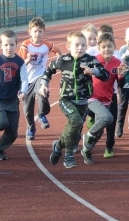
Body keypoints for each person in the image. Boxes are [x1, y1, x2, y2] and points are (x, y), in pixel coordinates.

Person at [42, 31, 109, 168]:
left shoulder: (90, 60)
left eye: (83, 45)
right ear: (68, 46)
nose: (80, 48)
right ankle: (68, 156)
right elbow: (48, 70)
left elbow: (106, 75)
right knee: (76, 121)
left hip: (83, 102)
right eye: (77, 45)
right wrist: (44, 85)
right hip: (66, 100)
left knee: (72, 127)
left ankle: (58, 146)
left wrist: (94, 72)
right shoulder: (63, 60)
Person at [0, 30, 28, 161]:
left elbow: (24, 79)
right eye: (6, 45)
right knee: (2, 123)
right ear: (1, 45)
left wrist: (23, 91)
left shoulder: (20, 62)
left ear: (16, 45)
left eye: (12, 44)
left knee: (13, 132)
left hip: (13, 100)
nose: (9, 48)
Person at [80, 32, 124, 162]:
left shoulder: (118, 63)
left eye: (109, 46)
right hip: (92, 98)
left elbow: (121, 84)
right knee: (108, 117)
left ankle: (86, 150)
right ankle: (87, 136)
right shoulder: (94, 60)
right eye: (104, 47)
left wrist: (121, 76)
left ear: (114, 47)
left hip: (107, 100)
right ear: (99, 48)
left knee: (99, 132)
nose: (107, 49)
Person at [18, 17, 56, 140]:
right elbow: (20, 63)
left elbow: (58, 51)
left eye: (40, 31)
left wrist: (59, 61)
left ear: (43, 32)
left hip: (41, 75)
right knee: (27, 109)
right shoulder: (25, 45)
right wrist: (28, 60)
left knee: (43, 93)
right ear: (30, 32)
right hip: (27, 79)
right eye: (35, 31)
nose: (37, 34)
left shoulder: (47, 45)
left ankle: (41, 114)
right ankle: (31, 127)